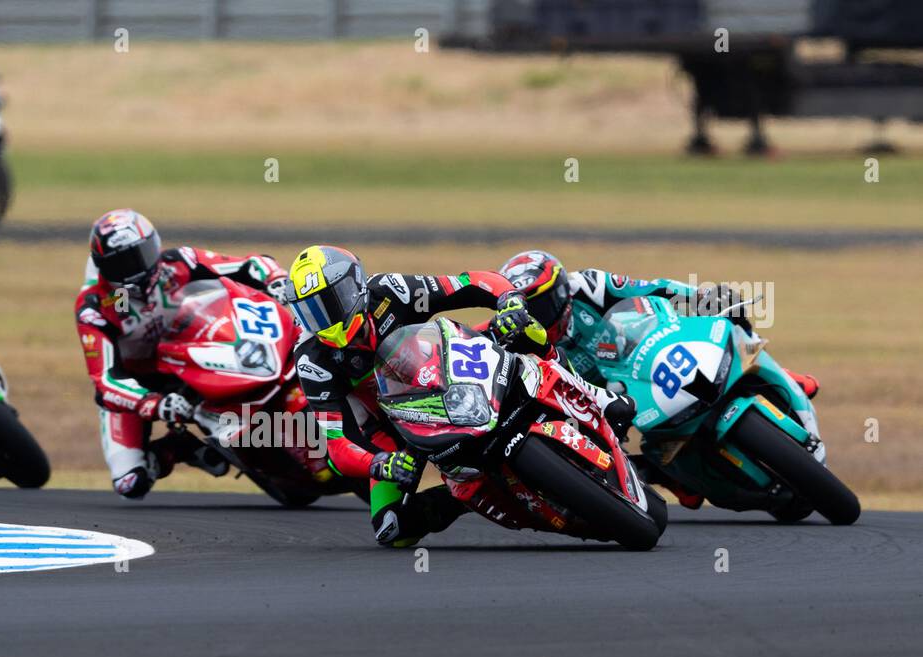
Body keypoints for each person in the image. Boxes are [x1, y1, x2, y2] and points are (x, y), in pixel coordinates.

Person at [285, 244, 635, 547]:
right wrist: (380, 464)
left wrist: (509, 301)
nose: (322, 320)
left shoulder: (390, 292)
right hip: (394, 427)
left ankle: (593, 396)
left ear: (352, 288)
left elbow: (469, 283)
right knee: (393, 529)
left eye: (328, 304)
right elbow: (337, 445)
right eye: (310, 311)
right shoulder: (313, 360)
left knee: (523, 327)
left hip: (452, 365)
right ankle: (465, 496)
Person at [497, 249, 820, 506]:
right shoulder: (521, 343)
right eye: (532, 309)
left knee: (734, 324)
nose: (543, 313)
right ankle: (672, 477)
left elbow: (652, 288)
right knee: (626, 456)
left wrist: (701, 297)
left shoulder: (589, 285)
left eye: (546, 300)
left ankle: (782, 376)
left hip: (641, 356)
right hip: (603, 396)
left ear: (562, 288)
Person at [75, 209, 290, 499]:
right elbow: (105, 382)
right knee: (130, 483)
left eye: (141, 254)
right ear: (104, 268)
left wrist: (276, 280)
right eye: (122, 264)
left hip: (189, 355)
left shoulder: (177, 262)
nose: (137, 269)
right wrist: (154, 404)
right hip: (141, 386)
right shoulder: (96, 308)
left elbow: (251, 265)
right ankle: (179, 448)